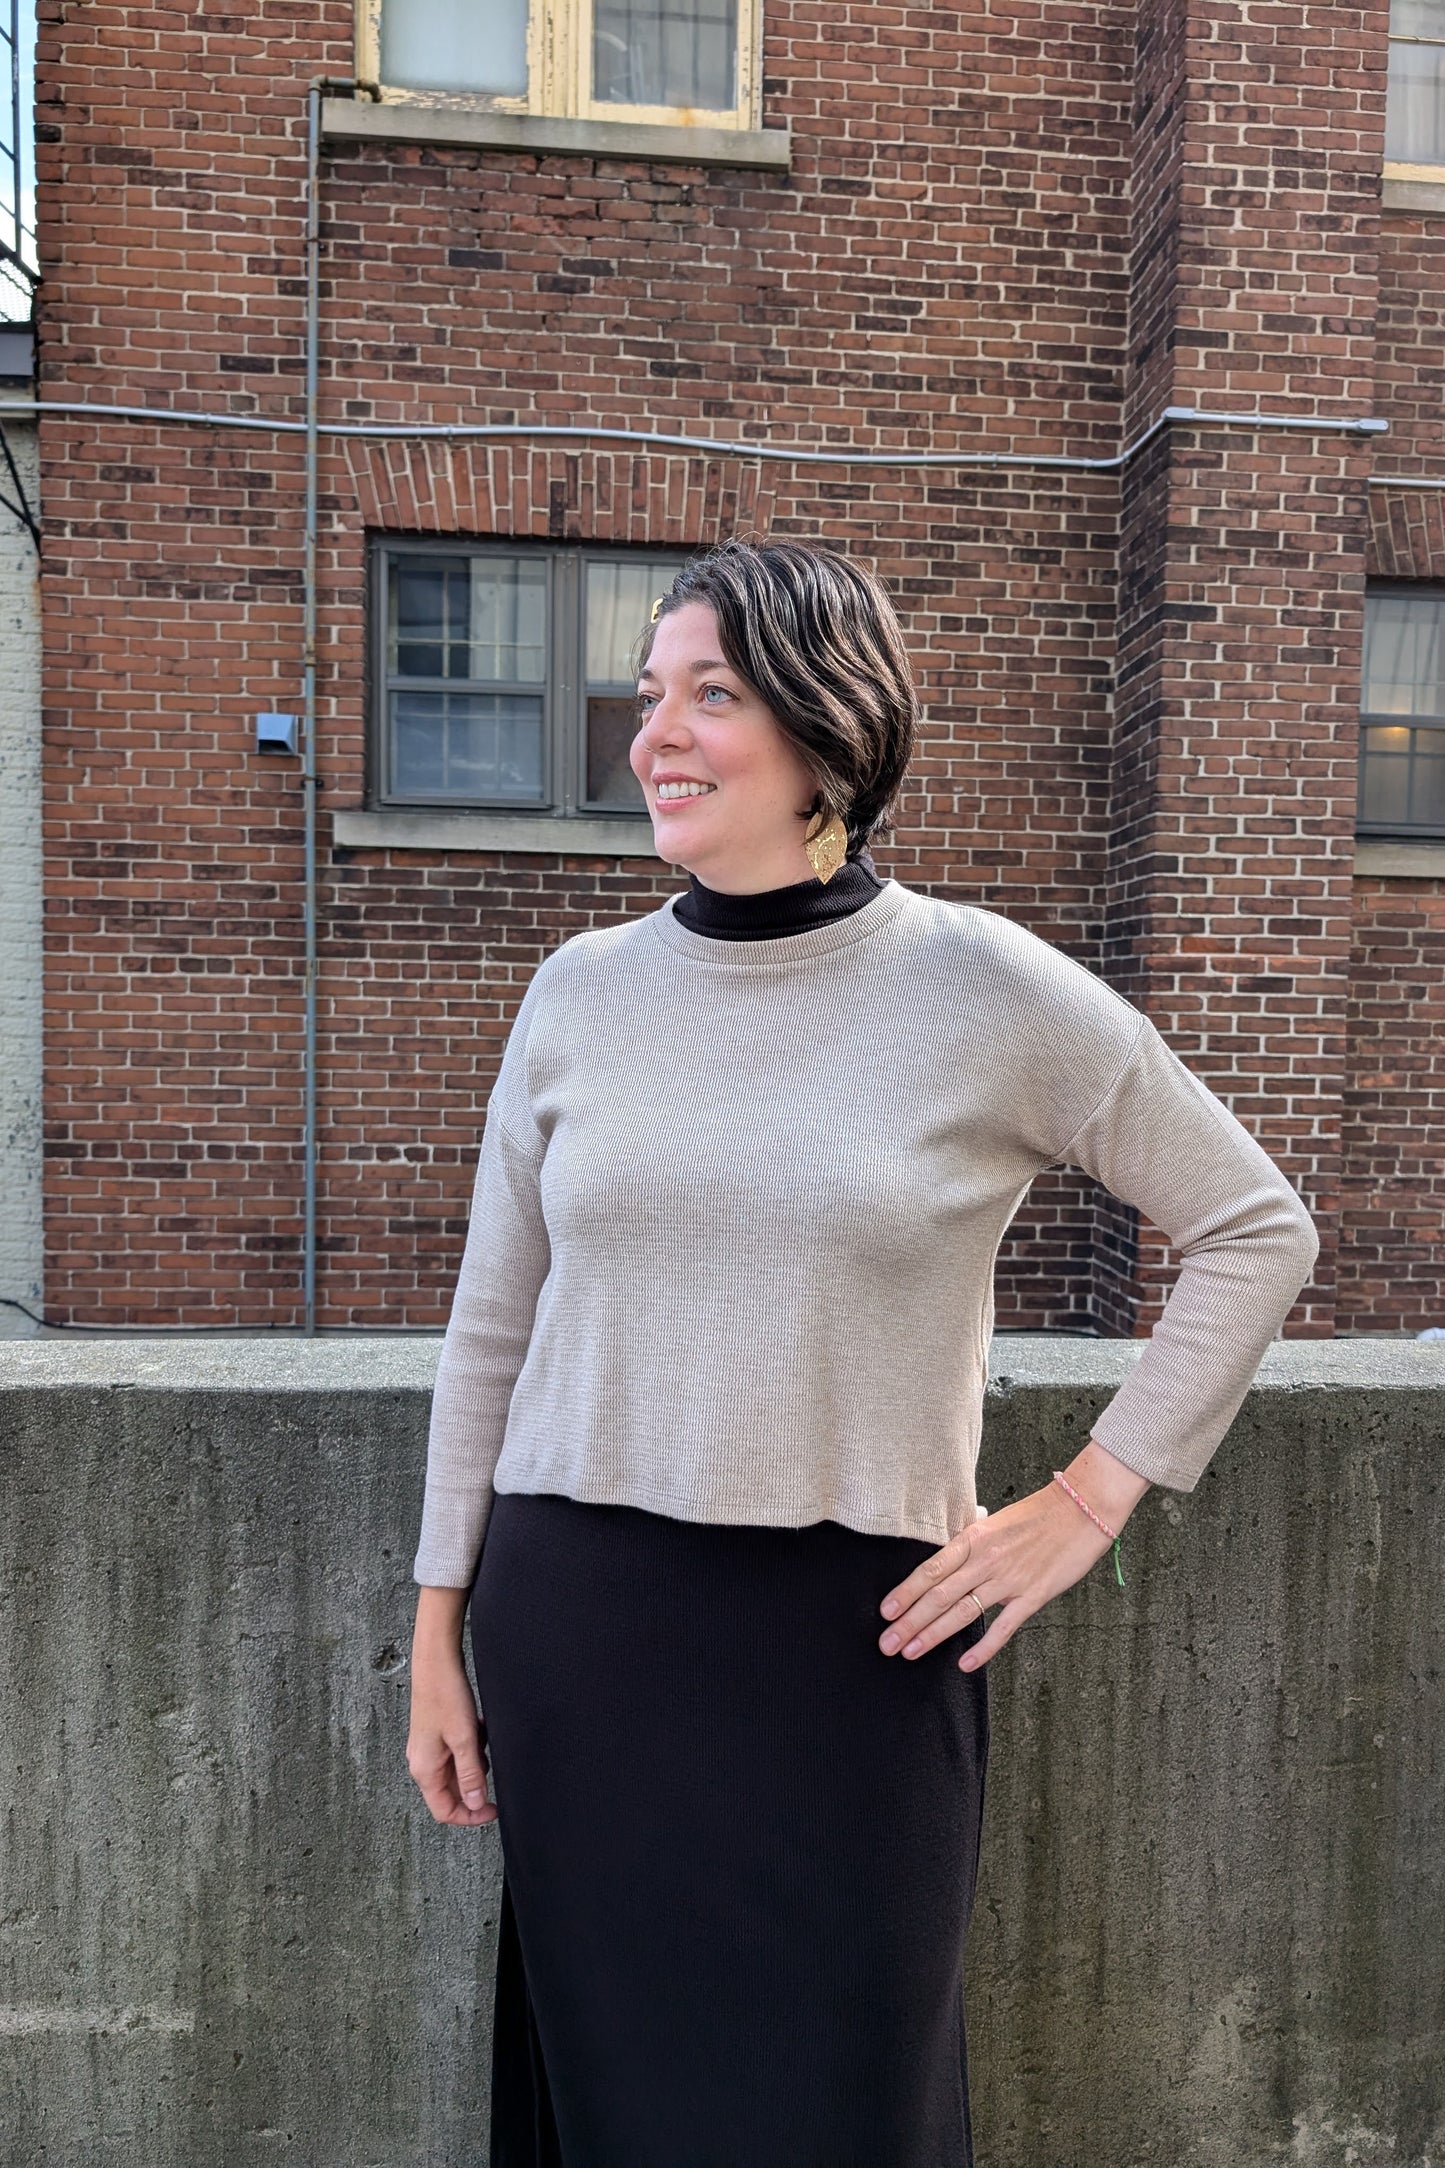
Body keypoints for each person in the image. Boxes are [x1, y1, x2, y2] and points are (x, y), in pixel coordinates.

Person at [405, 538, 1319, 2168]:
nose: (654, 737)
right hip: (584, 1637)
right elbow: (493, 1331)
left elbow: (1255, 1230)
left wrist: (1092, 1498)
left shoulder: (980, 987)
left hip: (856, 1650)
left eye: (713, 693)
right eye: (646, 697)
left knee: (850, 2109)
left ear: (828, 727)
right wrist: (434, 1635)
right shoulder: (577, 994)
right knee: (611, 2104)